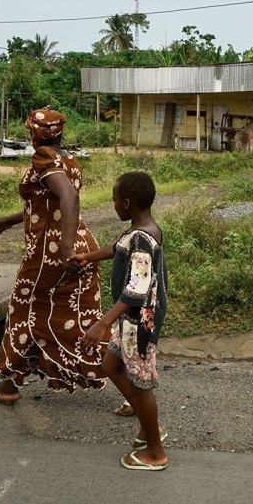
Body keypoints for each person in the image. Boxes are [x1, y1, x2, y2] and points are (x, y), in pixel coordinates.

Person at [0, 106, 107, 404]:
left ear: (36, 132)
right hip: (80, 246)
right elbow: (46, 204)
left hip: (50, 253)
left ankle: (7, 383)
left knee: (23, 312)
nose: (29, 134)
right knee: (77, 320)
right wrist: (9, 220)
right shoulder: (68, 159)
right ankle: (132, 383)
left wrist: (65, 248)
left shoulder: (44, 157)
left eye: (30, 129)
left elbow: (69, 198)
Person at [76, 171, 169, 471]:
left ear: (127, 203)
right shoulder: (141, 230)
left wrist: (102, 323)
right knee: (111, 366)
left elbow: (136, 288)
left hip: (138, 321)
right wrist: (87, 257)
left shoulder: (141, 238)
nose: (113, 204)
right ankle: (148, 426)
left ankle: (155, 451)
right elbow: (117, 250)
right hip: (130, 319)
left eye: (114, 200)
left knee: (141, 384)